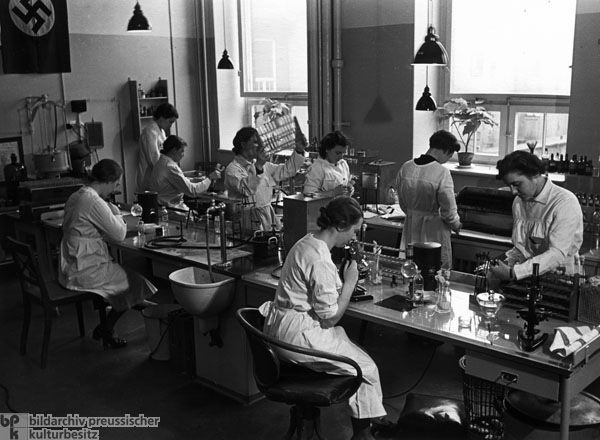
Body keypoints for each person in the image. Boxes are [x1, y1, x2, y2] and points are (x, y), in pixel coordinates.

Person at [258, 196, 386, 439]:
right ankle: (363, 435)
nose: (354, 237)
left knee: (348, 343)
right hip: (296, 338)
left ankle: (369, 421)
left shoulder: (308, 242)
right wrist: (349, 283)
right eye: (355, 231)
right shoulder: (320, 259)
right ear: (340, 226)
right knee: (366, 368)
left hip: (279, 329)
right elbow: (329, 319)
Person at [59, 159, 157, 349]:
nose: (114, 190)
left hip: (71, 264)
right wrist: (116, 213)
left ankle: (114, 321)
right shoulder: (94, 200)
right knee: (134, 284)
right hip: (85, 268)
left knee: (129, 284)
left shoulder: (78, 194)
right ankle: (108, 327)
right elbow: (119, 234)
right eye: (116, 184)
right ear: (109, 181)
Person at [489, 150, 583, 281]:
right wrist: (507, 262)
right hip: (528, 276)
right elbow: (522, 247)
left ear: (535, 175)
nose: (513, 191)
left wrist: (515, 273)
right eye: (509, 186)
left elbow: (557, 254)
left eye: (517, 184)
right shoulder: (519, 202)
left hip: (560, 278)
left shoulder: (564, 203)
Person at [395, 130, 462, 269]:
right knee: (434, 269)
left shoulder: (406, 167)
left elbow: (401, 201)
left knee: (411, 266)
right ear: (446, 151)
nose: (447, 160)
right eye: (449, 156)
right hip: (434, 229)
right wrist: (456, 225)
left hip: (411, 223)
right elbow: (448, 210)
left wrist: (413, 212)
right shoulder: (442, 172)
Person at [224, 126, 306, 231]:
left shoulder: (265, 166)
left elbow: (287, 170)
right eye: (255, 142)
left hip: (267, 216)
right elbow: (246, 189)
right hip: (246, 219)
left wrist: (299, 151)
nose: (259, 146)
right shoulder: (233, 169)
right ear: (243, 144)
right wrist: (258, 166)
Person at [147, 135, 221, 212]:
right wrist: (210, 178)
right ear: (174, 151)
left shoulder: (161, 162)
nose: (183, 155)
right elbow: (192, 191)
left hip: (161, 207)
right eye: (182, 151)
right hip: (171, 209)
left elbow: (179, 181)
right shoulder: (170, 167)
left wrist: (199, 180)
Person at [136, 102, 179, 192]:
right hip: (149, 178)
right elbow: (154, 160)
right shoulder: (149, 132)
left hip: (159, 176)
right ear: (161, 117)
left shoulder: (161, 132)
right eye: (170, 122)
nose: (171, 125)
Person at [302, 131, 354, 197]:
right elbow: (307, 195)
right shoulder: (317, 168)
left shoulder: (343, 164)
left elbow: (347, 184)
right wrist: (332, 193)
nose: (341, 157)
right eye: (338, 153)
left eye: (343, 153)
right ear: (327, 149)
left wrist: (349, 190)